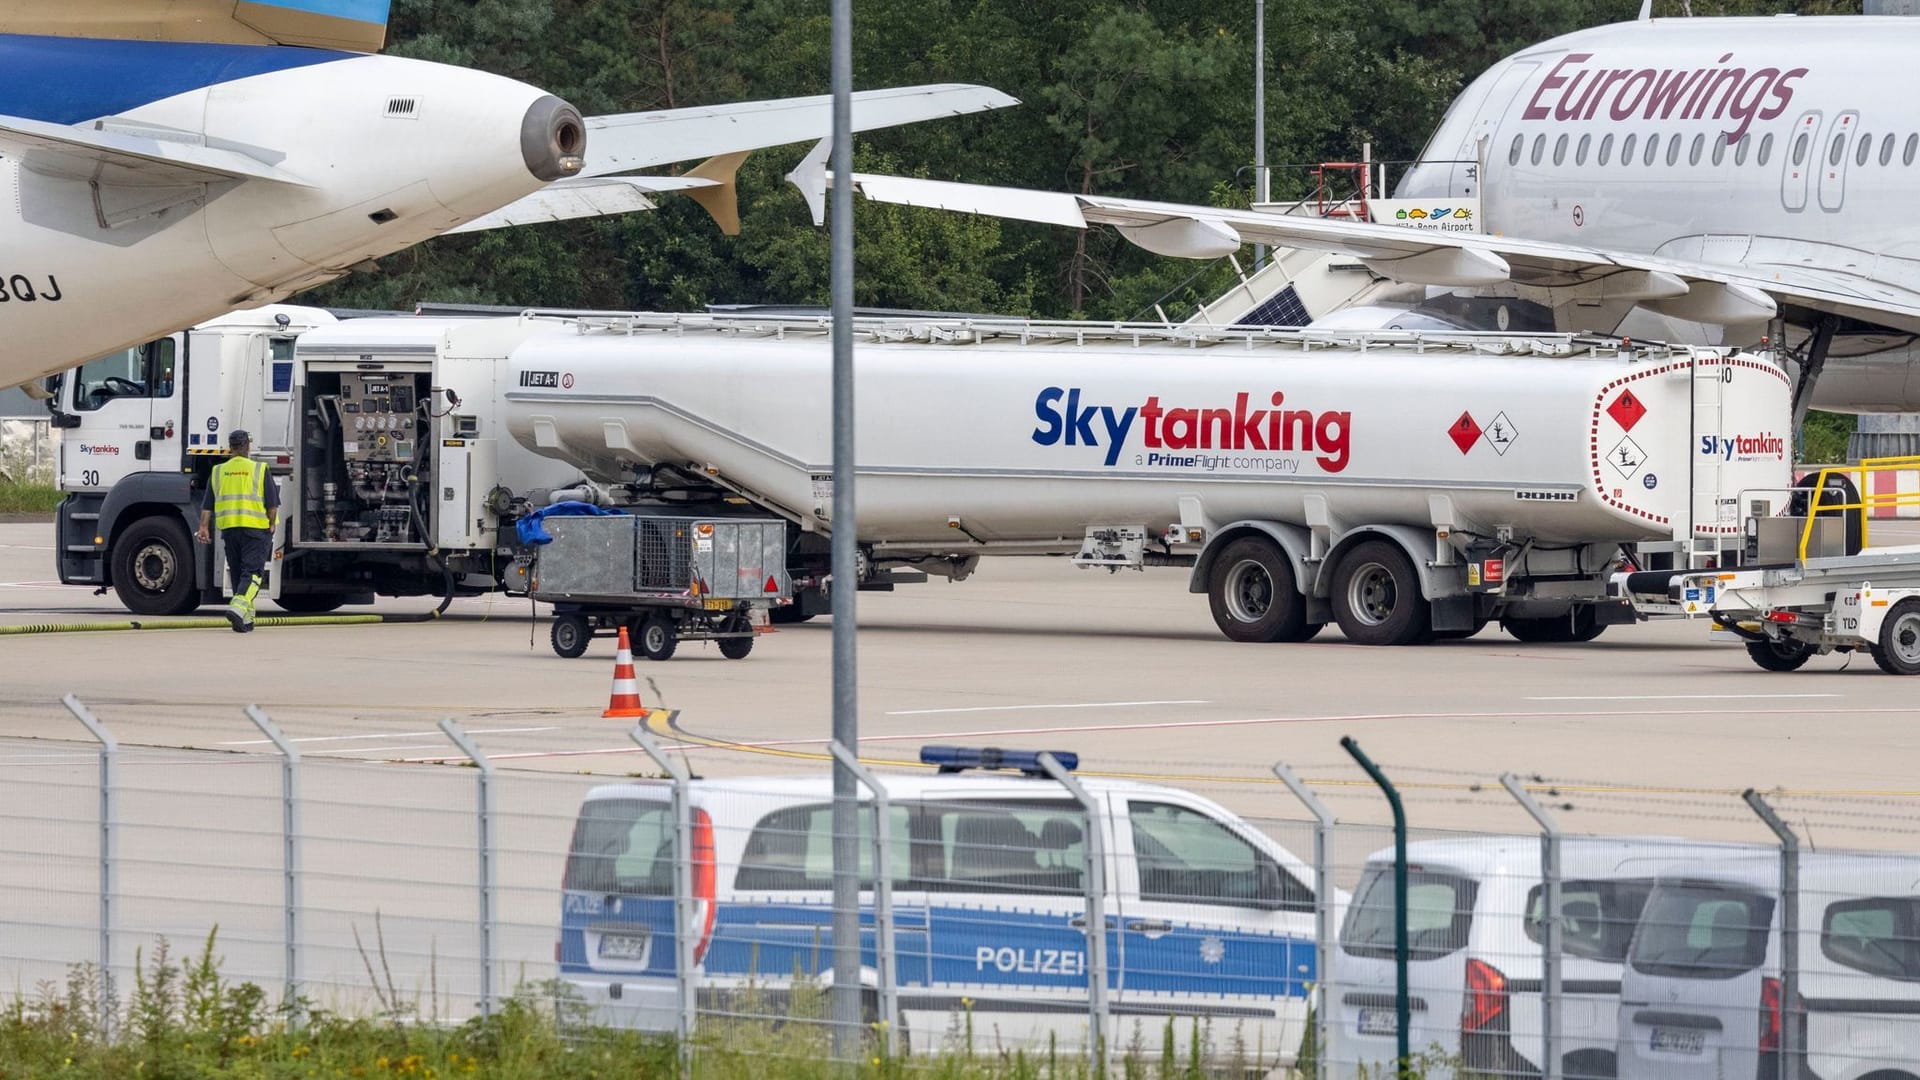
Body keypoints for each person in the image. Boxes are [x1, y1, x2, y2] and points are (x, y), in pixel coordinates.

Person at [195, 430, 279, 632]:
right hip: (256, 529)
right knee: (253, 574)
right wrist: (272, 523)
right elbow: (272, 503)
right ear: (248, 446)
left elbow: (208, 504)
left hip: (230, 530)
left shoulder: (218, 471)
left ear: (230, 447)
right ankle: (238, 607)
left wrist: (203, 527)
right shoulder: (259, 468)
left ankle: (245, 620)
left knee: (238, 574)